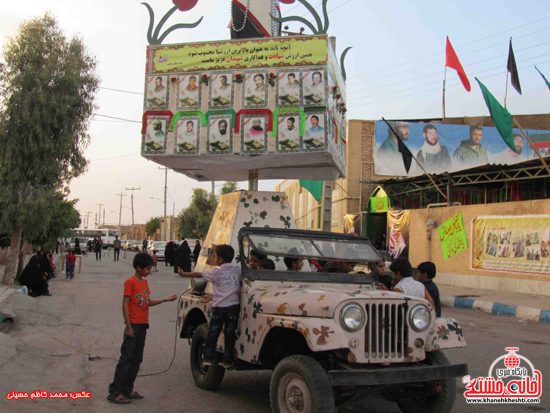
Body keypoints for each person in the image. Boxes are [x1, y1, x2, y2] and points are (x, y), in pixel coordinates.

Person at [107, 253, 177, 404]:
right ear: (138, 268)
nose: (149, 272)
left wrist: (165, 300)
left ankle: (127, 389)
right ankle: (115, 392)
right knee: (126, 359)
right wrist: (128, 326)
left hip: (143, 325)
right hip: (134, 326)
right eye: (147, 269)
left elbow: (147, 302)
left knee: (137, 359)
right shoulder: (130, 282)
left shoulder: (144, 283)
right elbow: (125, 304)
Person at [177, 245, 241, 368]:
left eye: (215, 256)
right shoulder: (237, 271)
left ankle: (208, 358)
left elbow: (199, 274)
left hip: (219, 308)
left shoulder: (215, 272)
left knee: (213, 333)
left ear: (220, 259)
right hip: (233, 308)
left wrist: (184, 274)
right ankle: (228, 360)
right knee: (230, 334)